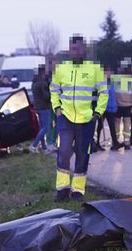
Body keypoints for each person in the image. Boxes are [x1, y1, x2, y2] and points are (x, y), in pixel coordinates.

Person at [50, 35, 108, 202]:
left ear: (85, 49)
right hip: (65, 118)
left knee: (83, 154)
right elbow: (54, 90)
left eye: (80, 48)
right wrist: (57, 109)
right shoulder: (61, 68)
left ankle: (77, 190)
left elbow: (104, 92)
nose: (76, 51)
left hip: (87, 119)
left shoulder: (95, 68)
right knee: (64, 152)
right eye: (73, 48)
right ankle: (62, 190)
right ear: (69, 50)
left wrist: (98, 113)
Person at [111, 69, 132, 150]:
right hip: (128, 106)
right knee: (127, 124)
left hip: (117, 105)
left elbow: (112, 92)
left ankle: (115, 142)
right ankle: (127, 143)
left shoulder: (115, 79)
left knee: (116, 123)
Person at [30, 66, 52, 153]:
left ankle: (44, 147)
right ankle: (34, 145)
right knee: (46, 128)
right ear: (42, 73)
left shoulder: (34, 83)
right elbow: (46, 97)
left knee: (42, 128)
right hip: (44, 107)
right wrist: (51, 93)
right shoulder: (42, 83)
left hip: (37, 107)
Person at [95, 73, 118, 152]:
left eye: (110, 72)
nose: (109, 74)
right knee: (100, 126)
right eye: (107, 73)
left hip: (111, 108)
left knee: (112, 127)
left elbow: (114, 96)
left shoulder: (113, 83)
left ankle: (115, 143)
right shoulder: (100, 83)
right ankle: (96, 143)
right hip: (103, 108)